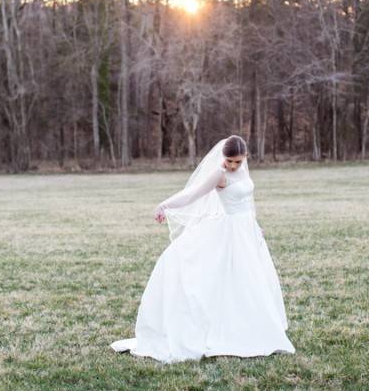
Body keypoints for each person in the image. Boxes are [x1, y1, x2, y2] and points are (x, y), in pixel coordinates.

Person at [109, 135, 295, 363]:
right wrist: (165, 204)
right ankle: (218, 330)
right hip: (228, 232)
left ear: (245, 157)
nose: (233, 166)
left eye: (237, 161)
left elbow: (248, 201)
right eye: (229, 161)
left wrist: (255, 225)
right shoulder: (220, 174)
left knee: (248, 280)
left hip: (245, 231)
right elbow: (192, 194)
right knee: (218, 278)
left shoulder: (244, 170)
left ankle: (249, 328)